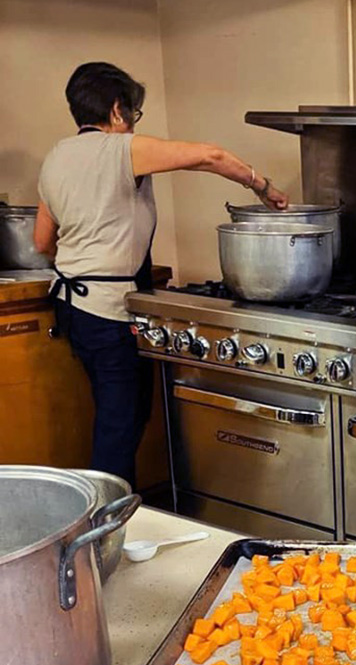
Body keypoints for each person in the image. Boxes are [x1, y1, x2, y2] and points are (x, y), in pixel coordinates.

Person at [34, 62, 289, 488]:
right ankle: (104, 535)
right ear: (117, 111)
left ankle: (113, 521)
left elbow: (44, 241)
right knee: (121, 425)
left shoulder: (56, 157)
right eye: (132, 113)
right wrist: (263, 187)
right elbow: (211, 156)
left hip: (71, 308)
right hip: (110, 311)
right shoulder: (122, 149)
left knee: (117, 417)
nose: (132, 124)